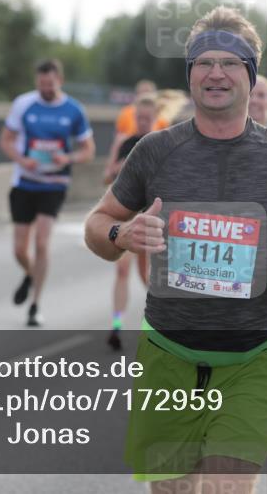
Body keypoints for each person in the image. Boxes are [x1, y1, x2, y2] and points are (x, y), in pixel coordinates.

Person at [84, 6, 267, 493]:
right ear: (189, 73)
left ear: (251, 74)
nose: (215, 73)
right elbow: (98, 224)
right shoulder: (154, 151)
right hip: (167, 357)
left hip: (253, 359)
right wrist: (122, 235)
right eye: (204, 62)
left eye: (229, 62)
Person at [0, 59, 95, 327]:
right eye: (42, 85)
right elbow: (5, 140)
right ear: (36, 82)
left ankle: (35, 305)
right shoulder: (23, 104)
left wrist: (68, 158)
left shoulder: (73, 110)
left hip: (54, 184)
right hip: (25, 182)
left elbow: (89, 150)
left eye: (50, 84)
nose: (46, 89)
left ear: (59, 81)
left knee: (41, 243)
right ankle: (31, 274)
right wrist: (22, 159)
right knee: (19, 249)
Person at [103, 94, 159, 350]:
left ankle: (160, 325)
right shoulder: (126, 143)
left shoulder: (161, 144)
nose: (143, 122)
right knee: (122, 270)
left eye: (148, 118)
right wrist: (119, 168)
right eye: (140, 118)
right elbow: (107, 177)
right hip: (127, 217)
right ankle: (116, 326)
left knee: (148, 276)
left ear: (155, 119)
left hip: (151, 217)